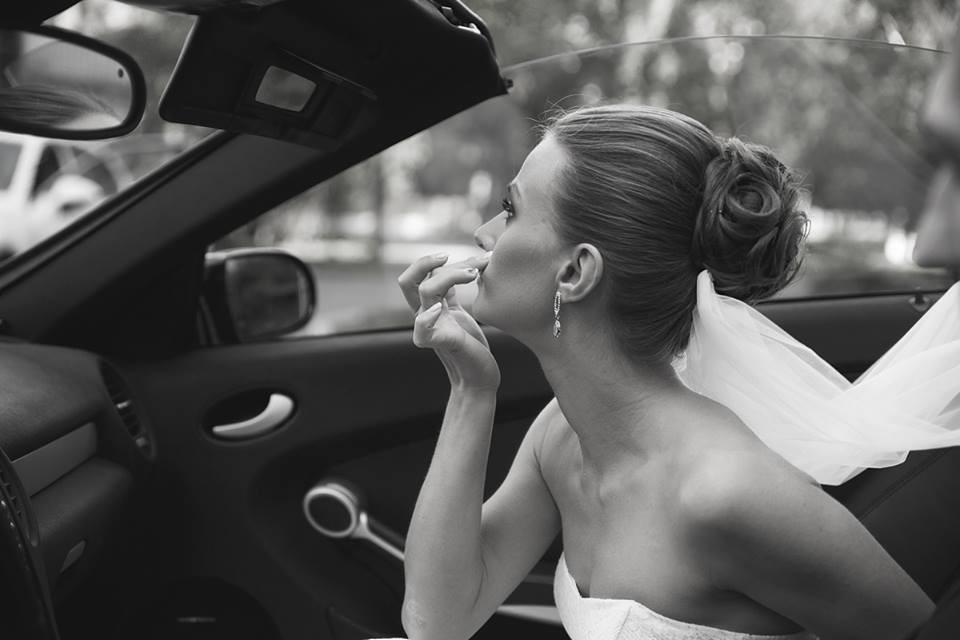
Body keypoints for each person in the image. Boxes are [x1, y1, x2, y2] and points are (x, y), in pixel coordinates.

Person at [395, 104, 957, 640]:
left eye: (511, 209)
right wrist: (471, 390)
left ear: (575, 272)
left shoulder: (728, 492)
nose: (484, 231)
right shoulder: (560, 438)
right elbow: (437, 623)